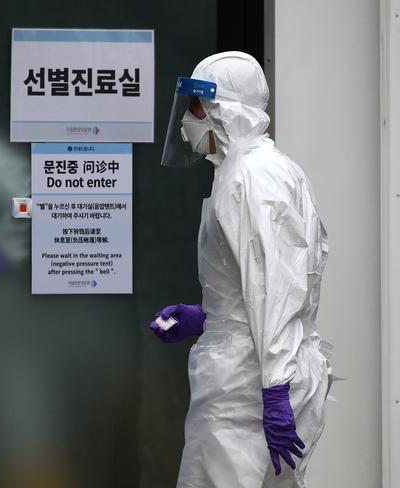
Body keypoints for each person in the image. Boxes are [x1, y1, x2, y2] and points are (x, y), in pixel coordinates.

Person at [151, 52, 332, 487]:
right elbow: (257, 276)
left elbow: (278, 288)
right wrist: (211, 315)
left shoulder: (252, 176)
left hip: (247, 384)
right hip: (257, 371)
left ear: (222, 109)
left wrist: (273, 389)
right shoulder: (253, 169)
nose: (188, 120)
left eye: (196, 106)